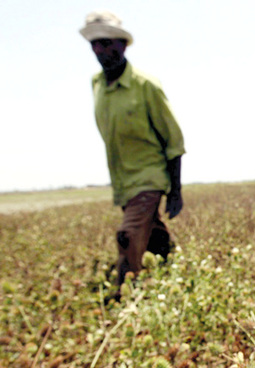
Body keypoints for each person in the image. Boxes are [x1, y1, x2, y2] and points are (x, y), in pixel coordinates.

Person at [80, 11, 186, 301]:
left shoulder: (145, 85)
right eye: (95, 44)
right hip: (123, 178)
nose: (101, 50)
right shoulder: (97, 84)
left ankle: (124, 296)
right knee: (150, 231)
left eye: (107, 43)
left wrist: (175, 190)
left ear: (123, 45)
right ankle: (171, 266)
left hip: (149, 175)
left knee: (128, 235)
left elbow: (173, 140)